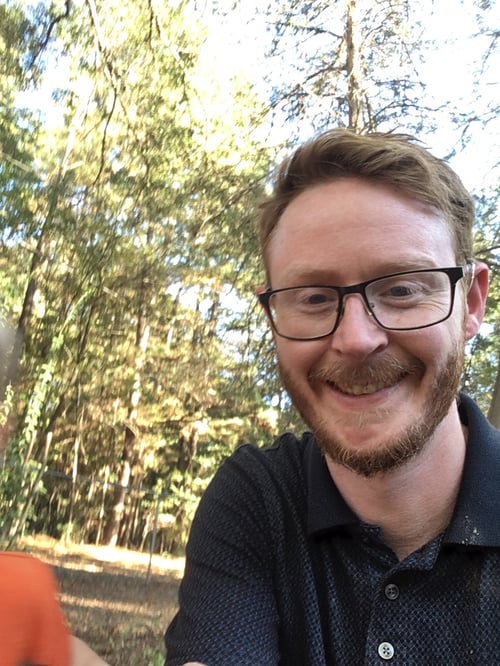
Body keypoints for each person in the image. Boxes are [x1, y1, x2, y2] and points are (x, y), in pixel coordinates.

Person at [164, 129, 499, 665]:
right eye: (315, 298)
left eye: (402, 289)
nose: (356, 340)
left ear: (472, 303)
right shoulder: (259, 500)